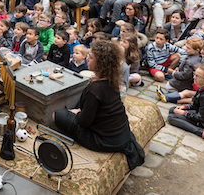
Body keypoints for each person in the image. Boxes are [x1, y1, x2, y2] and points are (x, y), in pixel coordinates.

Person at [53, 40, 145, 170]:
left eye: (91, 57)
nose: (88, 59)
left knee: (56, 115)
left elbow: (84, 122)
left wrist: (77, 113)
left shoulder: (95, 88)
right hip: (121, 135)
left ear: (101, 64)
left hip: (104, 141)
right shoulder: (112, 80)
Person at [157, 38, 204, 103]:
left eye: (188, 48)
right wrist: (179, 68)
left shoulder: (190, 62)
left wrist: (174, 73)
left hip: (186, 84)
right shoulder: (200, 57)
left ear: (197, 50)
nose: (186, 49)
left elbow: (184, 76)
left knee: (168, 86)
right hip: (191, 82)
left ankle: (174, 95)